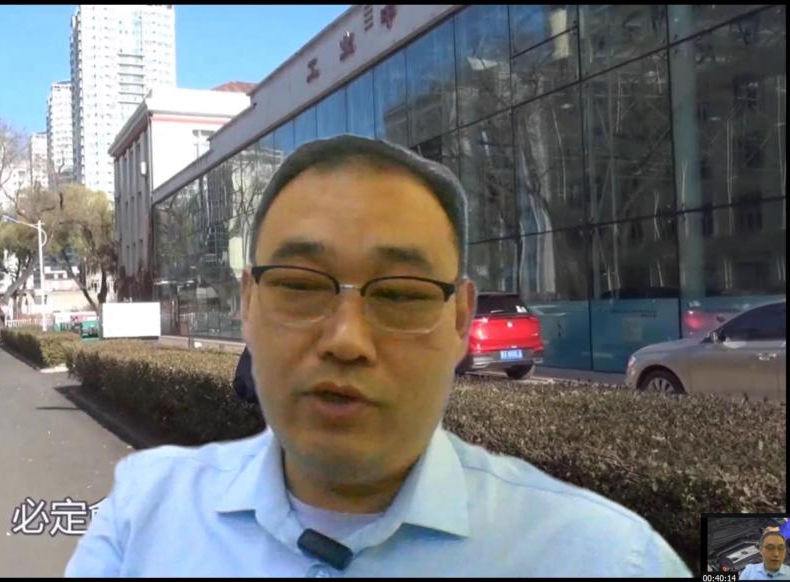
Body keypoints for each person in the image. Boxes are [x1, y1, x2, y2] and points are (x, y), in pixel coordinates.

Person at [64, 135, 692, 577]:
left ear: (459, 319)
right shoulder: (143, 518)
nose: (346, 340)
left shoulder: (607, 559)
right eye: (301, 285)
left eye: (399, 294)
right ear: (247, 304)